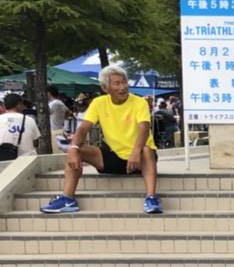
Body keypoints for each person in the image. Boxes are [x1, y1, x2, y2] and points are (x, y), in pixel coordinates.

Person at [41, 65, 161, 215]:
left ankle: (151, 198)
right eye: (117, 83)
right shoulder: (99, 102)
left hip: (140, 159)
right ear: (105, 88)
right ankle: (68, 199)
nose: (123, 87)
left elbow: (144, 128)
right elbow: (84, 128)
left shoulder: (139, 102)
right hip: (114, 157)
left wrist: (136, 151)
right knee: (77, 150)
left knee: (147, 150)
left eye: (124, 82)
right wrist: (73, 148)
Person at [2, 93, 41, 159]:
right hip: (27, 160)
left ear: (4, 105)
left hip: (4, 161)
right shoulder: (29, 120)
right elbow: (35, 142)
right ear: (18, 104)